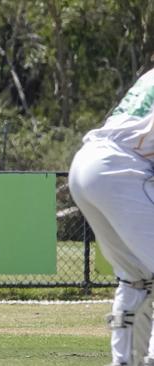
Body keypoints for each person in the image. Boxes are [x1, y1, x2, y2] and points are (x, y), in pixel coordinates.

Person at [69, 66, 154, 366]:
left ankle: (124, 362)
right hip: (121, 168)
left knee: (136, 279)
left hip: (86, 165)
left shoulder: (150, 76)